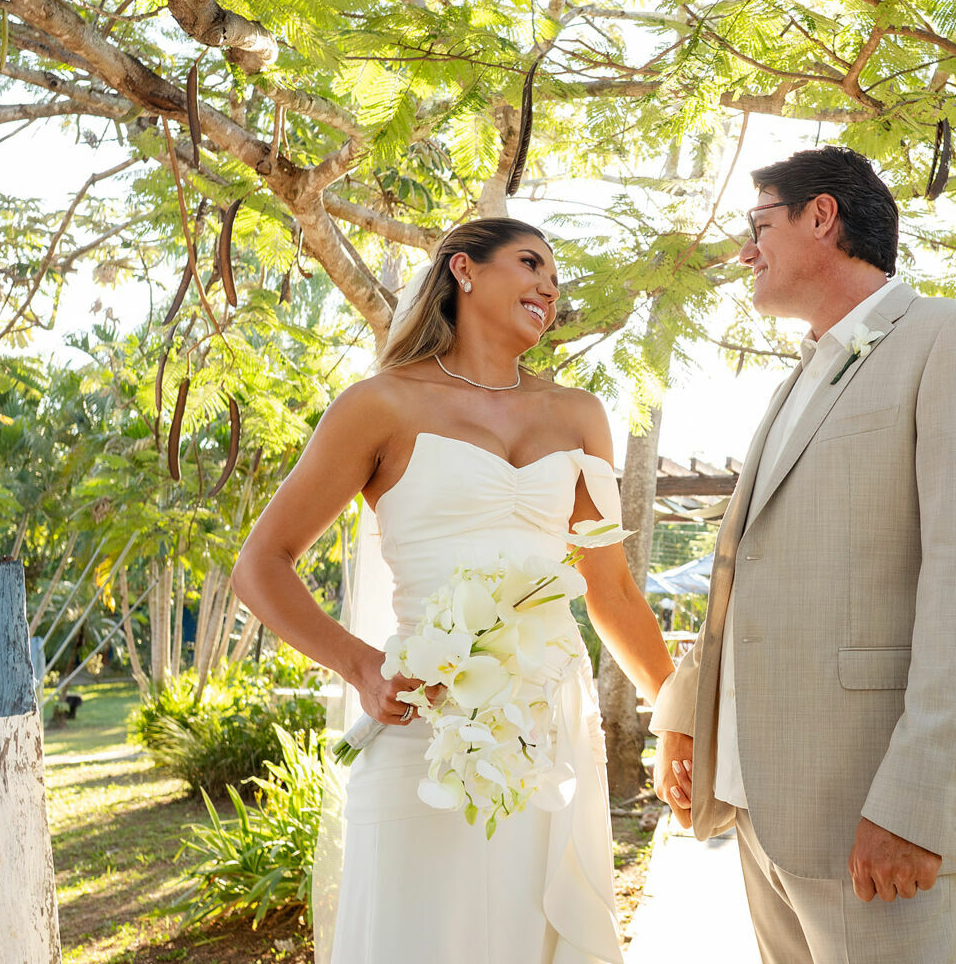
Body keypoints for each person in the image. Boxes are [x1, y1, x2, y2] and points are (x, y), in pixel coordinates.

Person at [232, 217, 674, 964]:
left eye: (556, 279)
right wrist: (363, 668)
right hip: (423, 726)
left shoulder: (580, 416)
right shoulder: (379, 405)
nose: (549, 288)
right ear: (464, 270)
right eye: (531, 264)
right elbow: (261, 563)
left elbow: (613, 590)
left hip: (548, 735)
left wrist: (676, 711)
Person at [649, 146, 956, 963]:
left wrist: (919, 803)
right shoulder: (795, 383)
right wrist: (687, 715)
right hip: (758, 803)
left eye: (759, 226)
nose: (746, 252)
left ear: (822, 217)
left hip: (870, 807)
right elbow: (745, 571)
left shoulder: (954, 340)